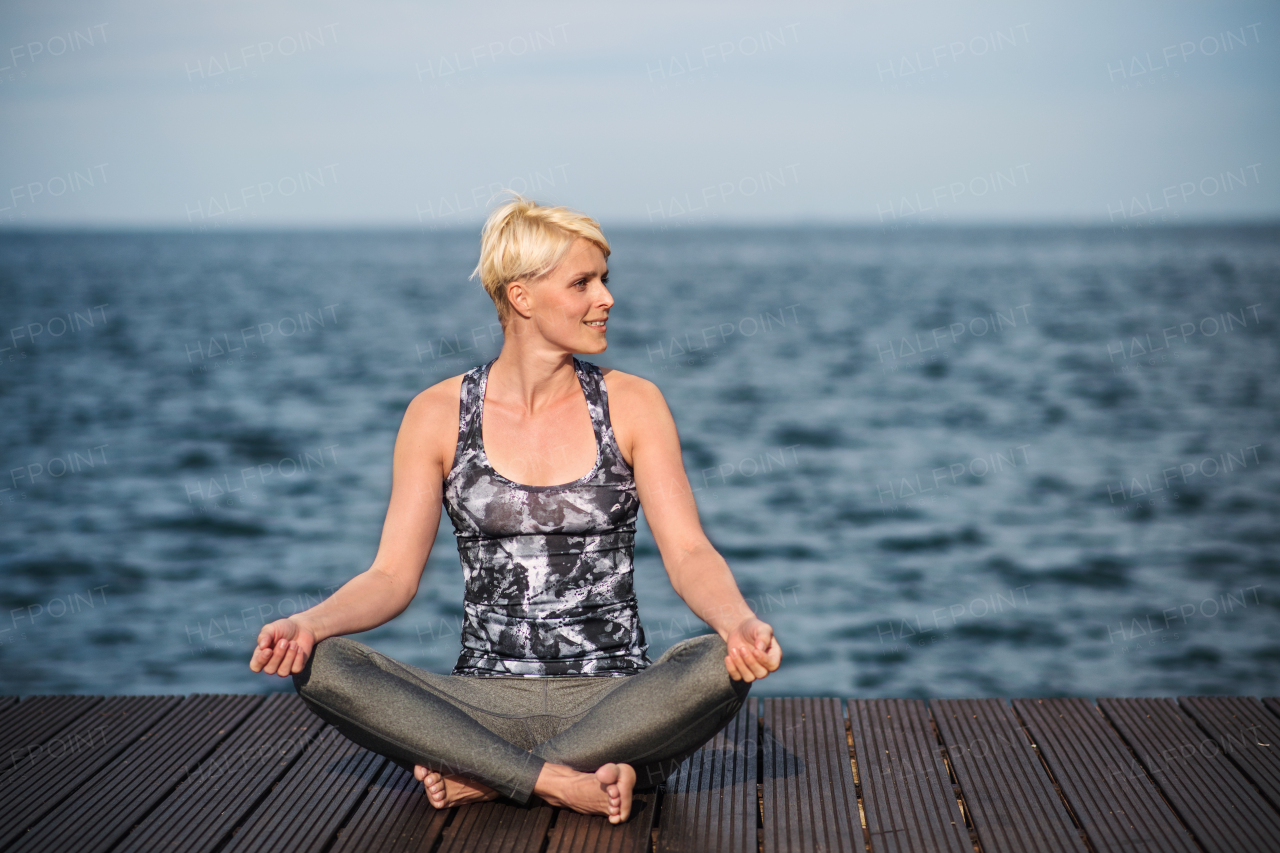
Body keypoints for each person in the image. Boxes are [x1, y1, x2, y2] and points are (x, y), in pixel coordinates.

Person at [248, 193, 782, 824]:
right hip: (481, 698)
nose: (606, 298)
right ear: (522, 296)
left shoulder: (634, 404)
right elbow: (391, 577)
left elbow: (689, 552)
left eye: (604, 280)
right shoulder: (437, 415)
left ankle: (496, 775)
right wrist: (308, 623)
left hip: (615, 700)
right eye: (582, 283)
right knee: (325, 662)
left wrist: (739, 623)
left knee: (717, 665)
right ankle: (562, 779)